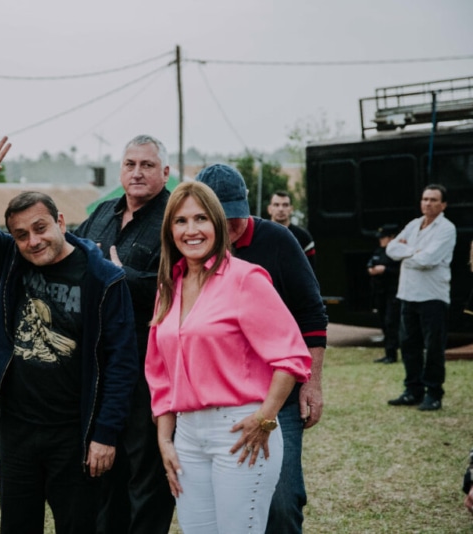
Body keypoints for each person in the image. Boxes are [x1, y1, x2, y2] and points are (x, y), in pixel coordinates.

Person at [0, 135, 138, 534]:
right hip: (18, 430)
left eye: (39, 228)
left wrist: (104, 435)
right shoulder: (12, 261)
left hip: (74, 433)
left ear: (59, 222)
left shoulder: (103, 278)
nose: (32, 241)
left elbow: (122, 363)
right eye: (21, 235)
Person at [145, 181, 312, 533]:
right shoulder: (168, 287)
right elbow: (159, 373)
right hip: (187, 436)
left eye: (201, 218)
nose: (191, 230)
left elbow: (291, 355)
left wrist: (266, 417)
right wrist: (164, 440)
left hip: (239, 431)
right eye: (180, 221)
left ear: (218, 225)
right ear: (169, 230)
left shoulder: (245, 279)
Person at [196, 164, 327, 534]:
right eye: (221, 218)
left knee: (283, 501)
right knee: (226, 504)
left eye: (236, 216)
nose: (231, 228)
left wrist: (312, 384)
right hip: (218, 401)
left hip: (278, 396)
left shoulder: (278, 240)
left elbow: (313, 313)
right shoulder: (192, 246)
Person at [74, 134, 174, 534]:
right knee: (101, 472)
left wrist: (124, 278)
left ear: (165, 172)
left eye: (147, 165)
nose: (137, 172)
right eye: (130, 164)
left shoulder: (176, 217)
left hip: (150, 369)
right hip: (99, 366)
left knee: (145, 476)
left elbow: (183, 288)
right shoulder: (101, 214)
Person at [386, 184, 456, 412]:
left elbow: (429, 259)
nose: (428, 203)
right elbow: (390, 249)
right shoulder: (414, 225)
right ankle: (413, 390)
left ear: (443, 204)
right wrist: (414, 251)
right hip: (408, 294)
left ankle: (434, 393)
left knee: (433, 347)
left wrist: (407, 253)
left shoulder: (446, 229)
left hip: (432, 297)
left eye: (434, 200)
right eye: (425, 199)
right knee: (409, 345)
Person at [367, 224, 401, 364]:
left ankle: (392, 354)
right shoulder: (379, 251)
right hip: (380, 293)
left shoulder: (397, 253)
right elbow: (370, 265)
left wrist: (385, 269)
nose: (380, 240)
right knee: (384, 323)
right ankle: (388, 353)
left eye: (383, 237)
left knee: (391, 322)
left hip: (393, 292)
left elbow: (399, 271)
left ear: (392, 237)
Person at [267, 190, 316, 270]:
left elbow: (311, 270)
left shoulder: (304, 238)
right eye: (276, 205)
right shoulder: (260, 234)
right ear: (269, 209)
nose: (281, 209)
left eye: (285, 205)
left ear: (291, 209)